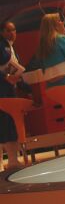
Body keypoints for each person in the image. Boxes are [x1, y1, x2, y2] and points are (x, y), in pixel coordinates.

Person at [0, 20, 22, 170]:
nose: (12, 33)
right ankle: (12, 161)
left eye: (14, 30)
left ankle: (12, 160)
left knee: (8, 123)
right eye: (8, 30)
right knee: (6, 124)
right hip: (3, 90)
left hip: (8, 89)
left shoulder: (10, 47)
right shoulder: (4, 47)